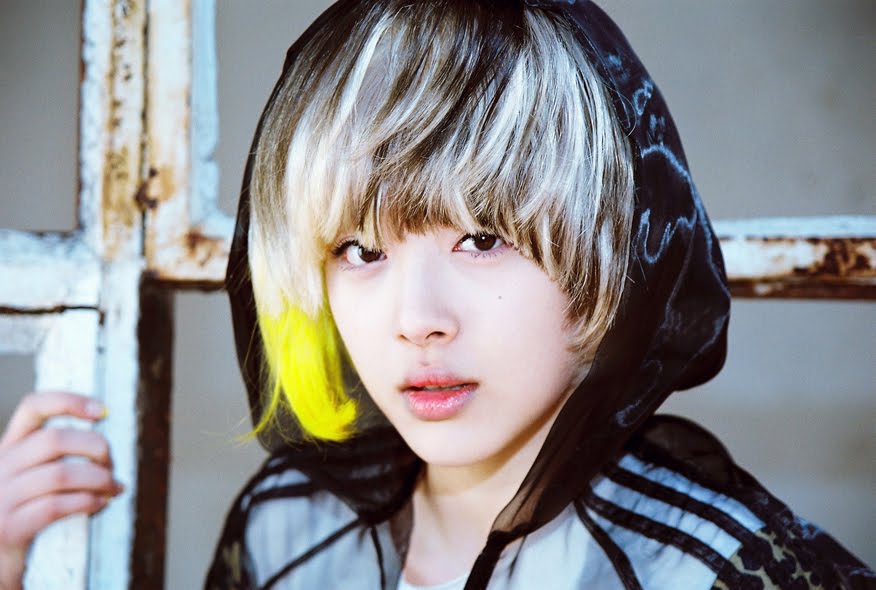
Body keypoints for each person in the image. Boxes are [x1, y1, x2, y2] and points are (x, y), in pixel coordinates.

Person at [0, 2, 870, 590]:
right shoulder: (285, 534)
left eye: (482, 240)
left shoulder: (719, 569)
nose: (417, 320)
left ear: (613, 253)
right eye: (359, 250)